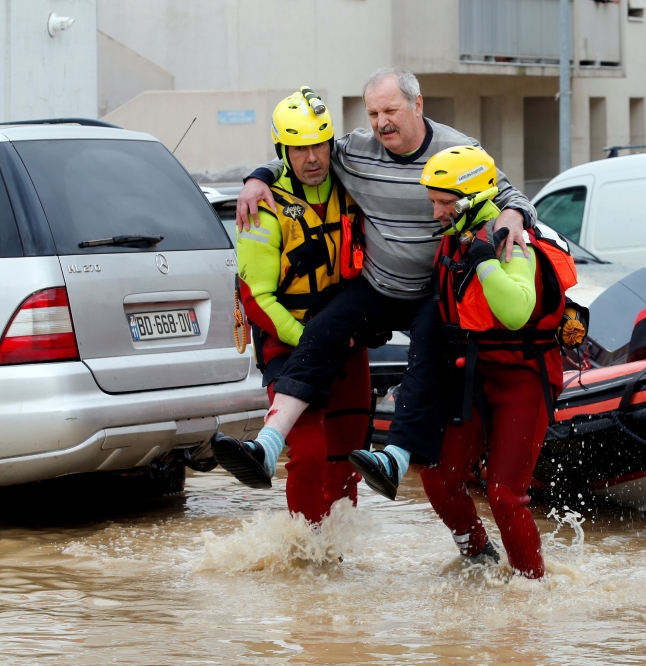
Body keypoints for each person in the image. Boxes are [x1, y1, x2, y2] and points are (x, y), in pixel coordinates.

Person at [227, 67, 537, 498]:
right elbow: (301, 155)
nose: (381, 122)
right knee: (323, 330)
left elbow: (509, 194)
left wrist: (515, 214)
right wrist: (256, 178)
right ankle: (267, 444)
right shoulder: (354, 151)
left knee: (426, 354)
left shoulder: (459, 149)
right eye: (373, 113)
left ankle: (396, 457)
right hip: (377, 285)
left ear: (418, 104)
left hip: (431, 290)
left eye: (390, 110)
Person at [415, 146, 579, 578]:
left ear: (469, 200)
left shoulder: (510, 241)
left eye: (443, 203)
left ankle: (532, 592)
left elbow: (515, 311)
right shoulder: (458, 237)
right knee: (438, 477)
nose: (435, 213)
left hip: (523, 377)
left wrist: (486, 262)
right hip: (473, 376)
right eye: (433, 202)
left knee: (505, 494)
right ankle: (479, 558)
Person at [210, 88, 370, 523]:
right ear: (283, 150)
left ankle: (335, 560)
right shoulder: (262, 207)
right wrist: (310, 342)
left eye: (319, 144)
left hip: (349, 339)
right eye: (300, 148)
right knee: (310, 456)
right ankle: (305, 557)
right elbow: (256, 298)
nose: (312, 157)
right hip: (290, 341)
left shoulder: (353, 186)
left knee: (348, 459)